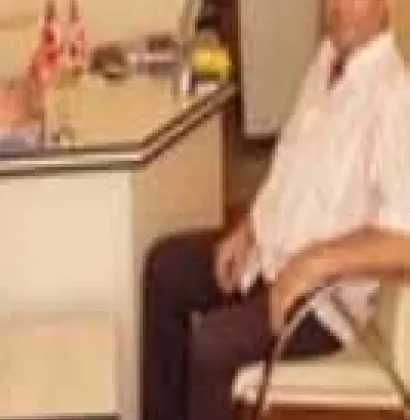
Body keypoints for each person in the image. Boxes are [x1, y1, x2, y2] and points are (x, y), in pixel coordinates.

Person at [142, 1, 410, 419]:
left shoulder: (395, 97)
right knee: (166, 268)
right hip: (268, 260)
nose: (337, 9)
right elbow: (288, 171)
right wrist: (248, 228)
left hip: (320, 305)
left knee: (213, 344)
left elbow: (402, 242)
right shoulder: (326, 60)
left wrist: (313, 263)